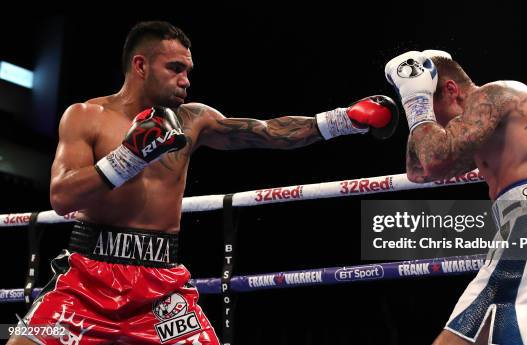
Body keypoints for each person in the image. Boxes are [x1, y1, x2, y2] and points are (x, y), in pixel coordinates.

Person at [8, 21, 398, 345]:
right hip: (88, 279)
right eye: (175, 68)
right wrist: (129, 157)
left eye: (188, 71)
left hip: (160, 286)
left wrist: (342, 121)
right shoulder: (86, 116)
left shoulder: (194, 120)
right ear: (140, 65)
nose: (185, 81)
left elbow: (266, 132)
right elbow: (61, 196)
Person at [385, 50, 527, 344]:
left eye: (434, 115)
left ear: (451, 90)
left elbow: (434, 158)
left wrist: (416, 102)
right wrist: (417, 107)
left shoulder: (492, 96)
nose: (434, 129)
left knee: (461, 338)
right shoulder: (487, 131)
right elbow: (420, 171)